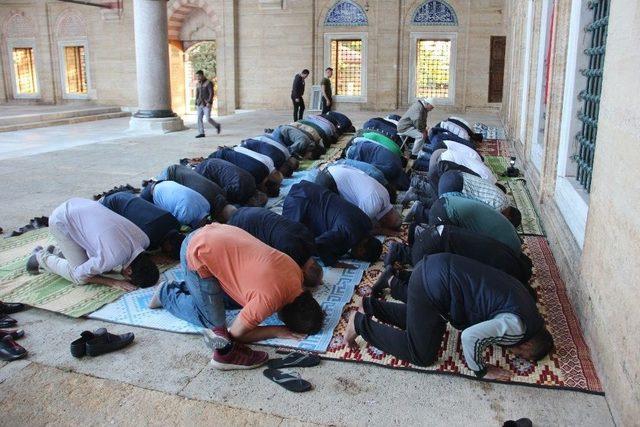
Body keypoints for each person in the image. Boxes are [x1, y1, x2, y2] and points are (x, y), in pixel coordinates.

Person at [345, 253, 554, 380]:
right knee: (421, 353)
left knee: (429, 324)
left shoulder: (528, 306)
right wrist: (481, 369)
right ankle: (360, 324)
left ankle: (370, 306)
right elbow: (470, 337)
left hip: (438, 267)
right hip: (433, 286)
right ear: (528, 345)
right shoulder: (518, 327)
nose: (515, 355)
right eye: (522, 356)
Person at [152, 223, 325, 369]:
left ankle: (192, 288)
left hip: (216, 232)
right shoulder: (268, 301)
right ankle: (165, 294)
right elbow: (235, 334)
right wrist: (276, 331)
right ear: (283, 316)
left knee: (234, 301)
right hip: (196, 249)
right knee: (213, 325)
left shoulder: (296, 274)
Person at [26, 198, 159, 291]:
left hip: (79, 204)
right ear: (129, 271)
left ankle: (59, 252)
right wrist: (113, 282)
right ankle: (41, 257)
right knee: (80, 278)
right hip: (61, 220)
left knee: (101, 266)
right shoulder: (111, 258)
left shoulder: (143, 239)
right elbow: (79, 273)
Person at [383, 224, 533, 288]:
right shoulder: (503, 268)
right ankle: (394, 277)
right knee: (430, 283)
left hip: (434, 234)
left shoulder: (506, 254)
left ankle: (399, 251)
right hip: (432, 247)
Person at [282, 180, 382, 267]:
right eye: (360, 256)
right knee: (291, 241)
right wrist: (333, 263)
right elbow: (319, 243)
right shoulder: (347, 232)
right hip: (299, 201)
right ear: (362, 250)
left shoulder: (367, 223)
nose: (355, 256)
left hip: (311, 190)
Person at [226, 207, 323, 288]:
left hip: (250, 211)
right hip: (240, 225)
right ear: (303, 274)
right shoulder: (289, 255)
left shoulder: (309, 239)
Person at [315, 164, 401, 233]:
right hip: (329, 180)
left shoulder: (386, 195)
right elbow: (359, 228)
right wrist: (382, 231)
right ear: (385, 221)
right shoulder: (372, 207)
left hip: (335, 170)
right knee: (332, 217)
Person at [425, 192, 522, 253]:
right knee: (437, 251)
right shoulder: (510, 248)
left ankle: (419, 224)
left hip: (447, 199)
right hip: (446, 212)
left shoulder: (507, 231)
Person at [100, 192, 184, 260]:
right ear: (169, 244)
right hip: (110, 206)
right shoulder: (149, 239)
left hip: (126, 195)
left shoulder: (175, 223)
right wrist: (153, 257)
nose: (165, 253)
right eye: (168, 252)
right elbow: (135, 254)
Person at [158, 164, 233, 222]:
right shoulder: (206, 202)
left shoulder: (221, 193)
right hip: (169, 176)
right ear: (221, 216)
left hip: (180, 169)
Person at [209, 147, 282, 197]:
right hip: (218, 158)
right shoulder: (254, 179)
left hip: (228, 151)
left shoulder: (265, 170)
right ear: (265, 188)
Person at [194, 158, 267, 207]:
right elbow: (221, 197)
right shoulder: (239, 190)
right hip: (206, 168)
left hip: (213, 162)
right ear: (252, 201)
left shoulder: (252, 182)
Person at [140, 180, 210, 229]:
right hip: (152, 194)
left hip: (165, 183)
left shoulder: (207, 205)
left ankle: (148, 184)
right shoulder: (185, 217)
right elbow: (172, 223)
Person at [345, 139, 410, 190]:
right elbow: (371, 169)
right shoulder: (390, 170)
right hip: (356, 153)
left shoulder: (398, 162)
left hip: (361, 144)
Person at [194, 70, 221, 138]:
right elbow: (197, 94)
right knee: (199, 118)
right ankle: (201, 133)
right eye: (197, 76)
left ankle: (217, 125)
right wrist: (195, 103)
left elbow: (211, 93)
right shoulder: (198, 84)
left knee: (208, 118)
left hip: (206, 104)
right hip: (199, 104)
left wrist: (209, 102)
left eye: (199, 76)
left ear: (202, 75)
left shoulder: (208, 83)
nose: (198, 77)